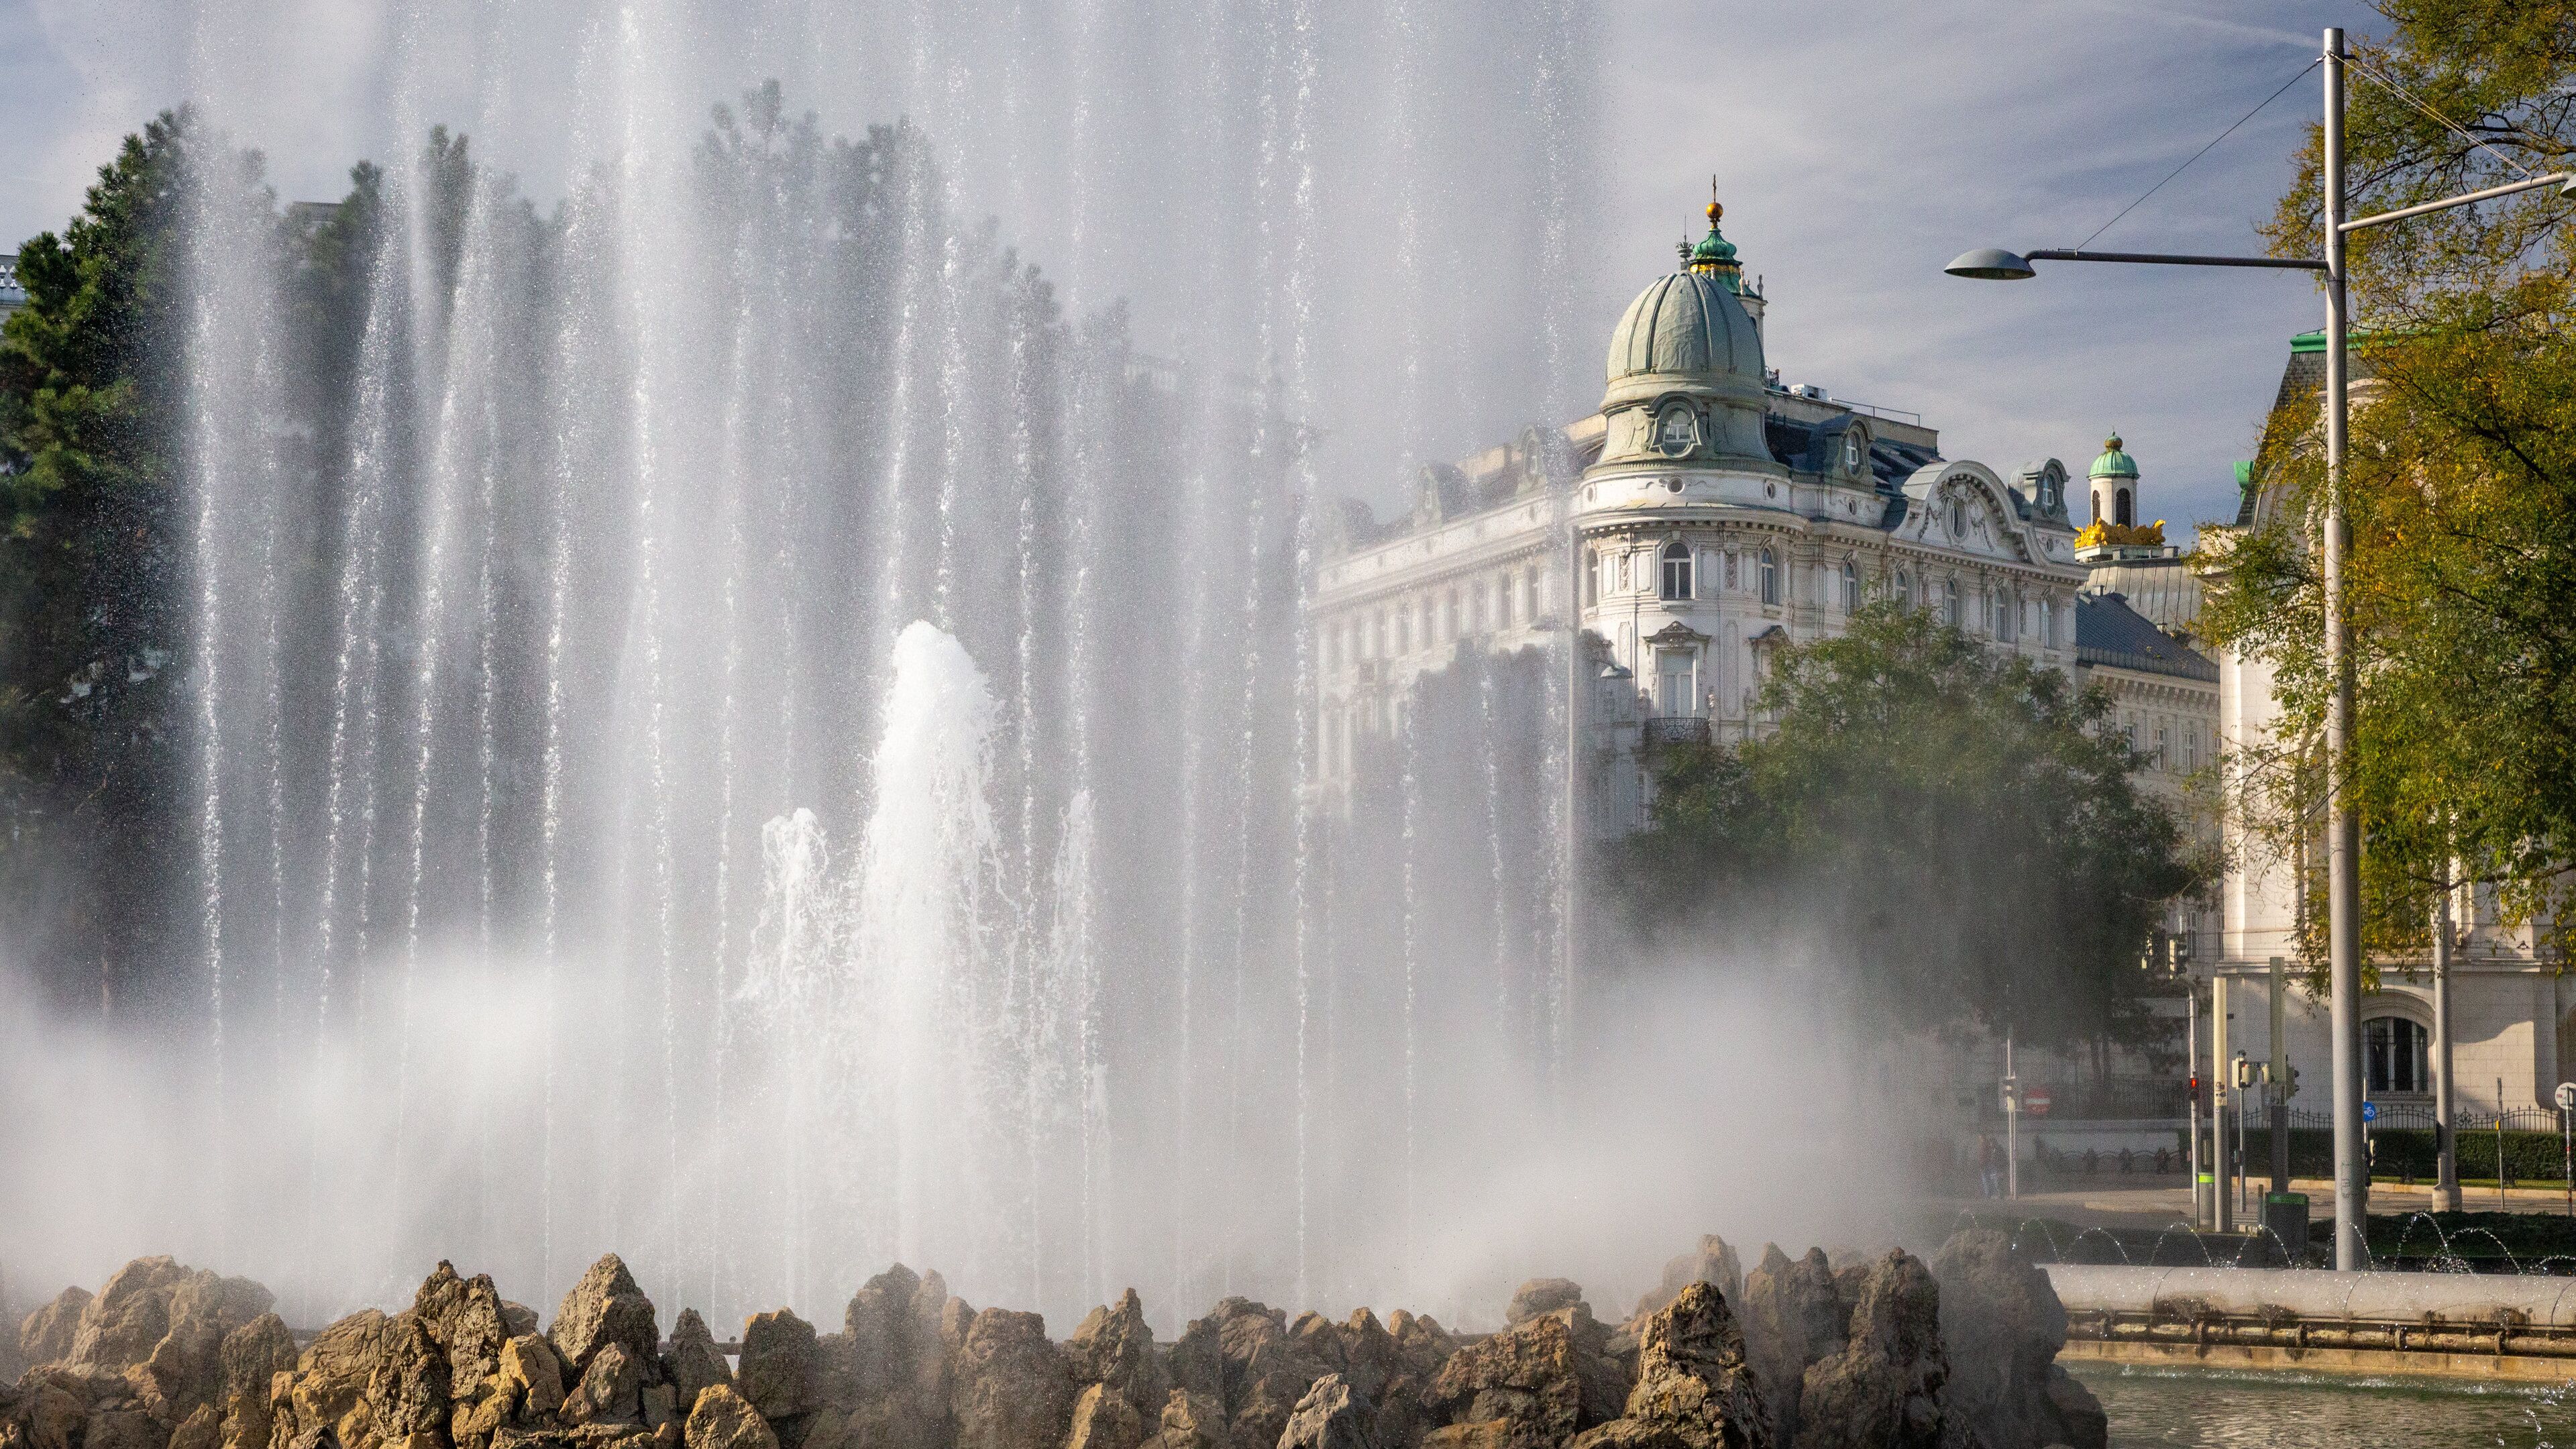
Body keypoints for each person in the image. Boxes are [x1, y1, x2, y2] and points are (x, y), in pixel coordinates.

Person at [1977, 1133, 2003, 1198]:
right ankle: (1992, 1194)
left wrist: (1981, 1164)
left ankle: (1990, 1194)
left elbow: (1983, 1156)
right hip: (1990, 1165)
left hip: (1988, 1165)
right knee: (1991, 1179)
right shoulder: (1989, 1147)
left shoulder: (1985, 1146)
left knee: (1989, 1180)